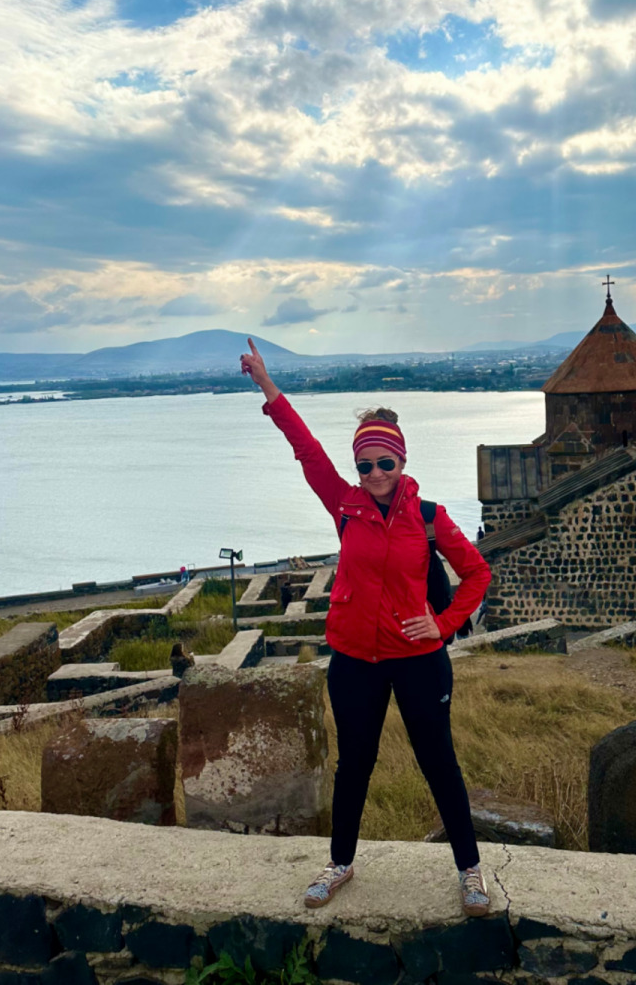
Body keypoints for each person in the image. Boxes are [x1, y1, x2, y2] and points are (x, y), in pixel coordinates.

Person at [240, 337, 492, 916]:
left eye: (385, 462)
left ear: (402, 462)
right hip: (355, 659)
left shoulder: (429, 518)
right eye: (365, 464)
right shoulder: (345, 504)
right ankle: (340, 864)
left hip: (418, 659)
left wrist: (445, 624)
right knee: (355, 762)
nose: (374, 472)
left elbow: (477, 573)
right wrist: (268, 388)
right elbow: (306, 452)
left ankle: (471, 872)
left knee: (439, 763)